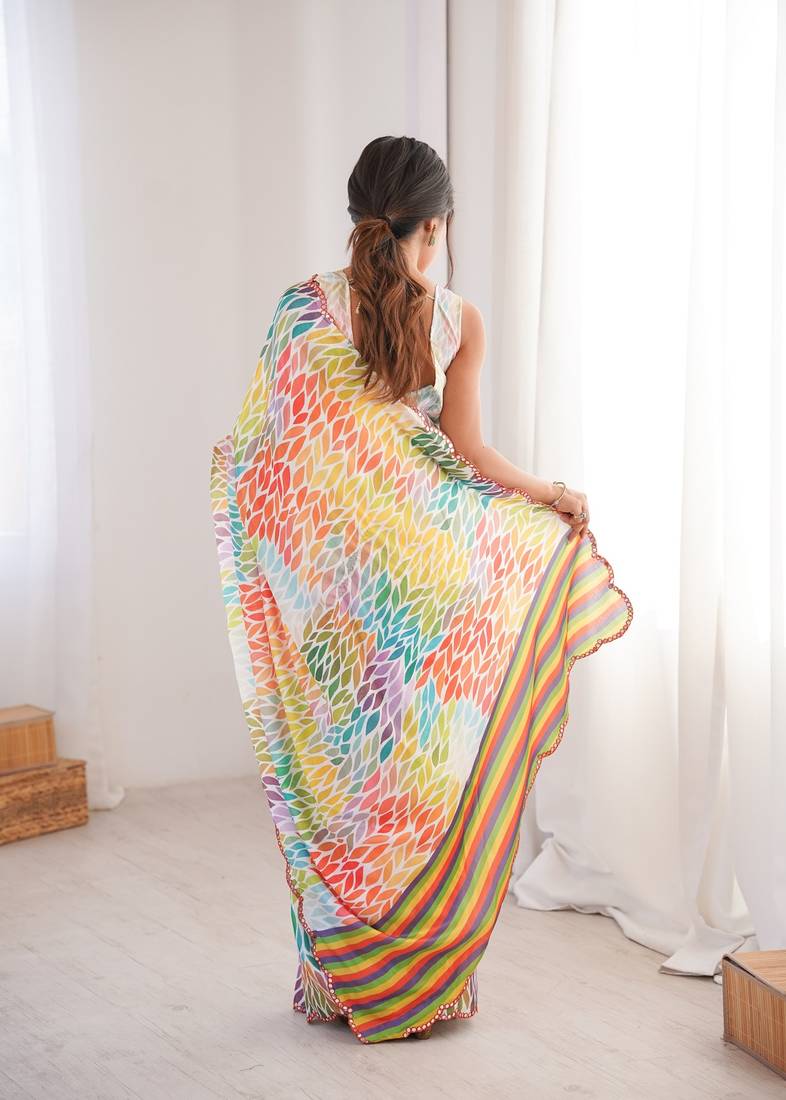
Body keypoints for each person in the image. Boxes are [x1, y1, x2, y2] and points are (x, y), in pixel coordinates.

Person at [210, 135, 633, 1045]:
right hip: (430, 592)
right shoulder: (457, 319)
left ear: (358, 215)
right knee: (420, 780)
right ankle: (431, 991)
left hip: (335, 600)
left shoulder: (300, 310)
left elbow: (266, 455)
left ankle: (339, 987)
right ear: (435, 226)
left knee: (338, 780)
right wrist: (553, 495)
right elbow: (469, 454)